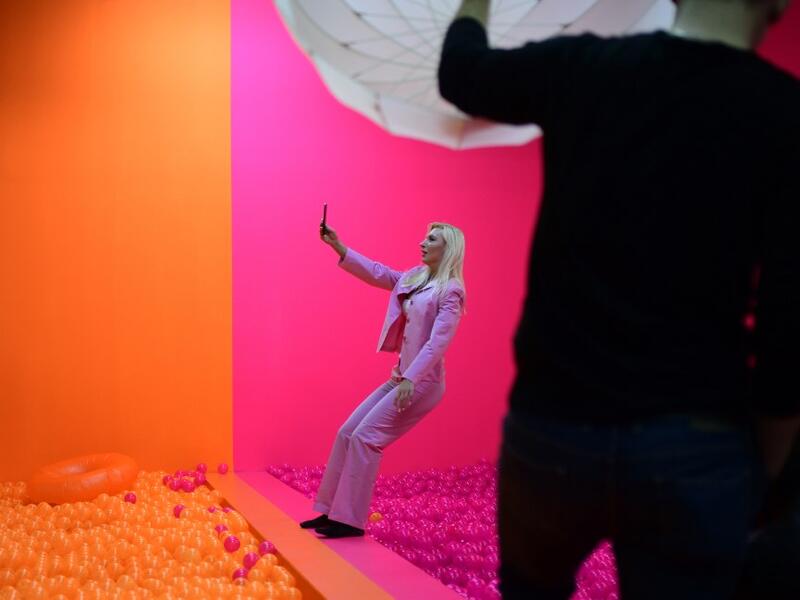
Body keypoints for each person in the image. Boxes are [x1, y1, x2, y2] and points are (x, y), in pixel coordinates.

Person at [438, 0, 799, 598]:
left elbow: (464, 74)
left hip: (554, 425)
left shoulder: (586, 66)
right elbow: (790, 326)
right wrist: (765, 474)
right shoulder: (785, 115)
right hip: (693, 441)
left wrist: (476, 2)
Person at [299, 221, 466, 538]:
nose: (423, 242)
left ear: (448, 248)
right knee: (348, 432)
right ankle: (330, 511)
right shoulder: (415, 278)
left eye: (431, 239)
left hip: (422, 383)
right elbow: (378, 273)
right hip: (401, 378)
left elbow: (437, 343)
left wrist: (411, 380)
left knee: (367, 438)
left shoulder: (451, 291)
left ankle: (348, 520)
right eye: (425, 236)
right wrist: (338, 246)